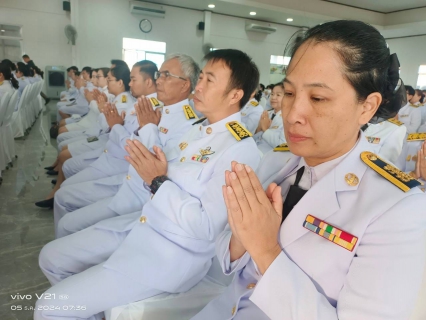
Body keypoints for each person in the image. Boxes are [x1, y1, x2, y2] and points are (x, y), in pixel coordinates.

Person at [192, 20, 426, 320]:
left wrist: (266, 250)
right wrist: (244, 236)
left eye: (318, 98)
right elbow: (227, 257)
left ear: (366, 107)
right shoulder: (276, 163)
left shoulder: (398, 208)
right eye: (289, 93)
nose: (293, 114)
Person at [34, 49, 261, 320]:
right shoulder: (199, 128)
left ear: (235, 94)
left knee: (49, 307)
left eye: (209, 80)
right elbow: (158, 167)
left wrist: (158, 181)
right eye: (201, 77)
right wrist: (151, 146)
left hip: (168, 256)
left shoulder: (240, 149)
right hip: (143, 225)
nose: (198, 86)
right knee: (51, 257)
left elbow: (206, 226)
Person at [35, 65, 134, 208]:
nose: (105, 81)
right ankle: (60, 180)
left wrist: (99, 107)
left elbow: (107, 126)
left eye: (108, 78)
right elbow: (105, 123)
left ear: (120, 82)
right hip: (99, 136)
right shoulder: (118, 98)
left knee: (65, 152)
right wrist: (100, 107)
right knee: (64, 146)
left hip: (105, 142)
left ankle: (60, 186)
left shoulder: (125, 101)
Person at [254, 82, 286, 155]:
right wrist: (259, 128)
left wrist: (265, 129)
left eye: (278, 95)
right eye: (272, 94)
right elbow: (255, 139)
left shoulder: (288, 118)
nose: (273, 97)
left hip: (271, 156)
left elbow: (282, 145)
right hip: (256, 150)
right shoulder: (267, 113)